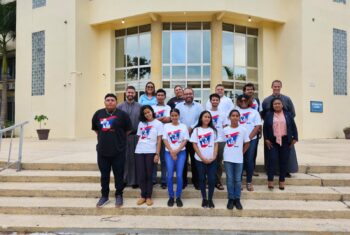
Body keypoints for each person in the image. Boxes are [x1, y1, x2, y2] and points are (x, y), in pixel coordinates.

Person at [92, 93, 132, 208]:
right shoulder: (98, 114)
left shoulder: (123, 115)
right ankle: (104, 196)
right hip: (102, 152)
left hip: (118, 151)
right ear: (104, 102)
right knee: (104, 175)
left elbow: (128, 130)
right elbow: (96, 129)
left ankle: (119, 195)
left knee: (119, 175)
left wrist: (117, 138)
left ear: (116, 102)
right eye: (108, 100)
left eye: (112, 100)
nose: (110, 102)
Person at [261, 80, 298, 176]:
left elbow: (292, 113)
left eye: (278, 86)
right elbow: (263, 115)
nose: (276, 88)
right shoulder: (266, 100)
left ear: (281, 87)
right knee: (271, 152)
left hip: (285, 131)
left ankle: (286, 171)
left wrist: (284, 122)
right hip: (271, 132)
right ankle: (271, 170)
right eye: (275, 86)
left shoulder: (287, 99)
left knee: (286, 153)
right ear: (272, 87)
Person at [263, 97, 298, 190]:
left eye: (279, 103)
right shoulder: (269, 115)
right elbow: (265, 127)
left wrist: (295, 138)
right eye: (275, 104)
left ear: (282, 105)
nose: (277, 105)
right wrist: (266, 139)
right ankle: (270, 180)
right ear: (272, 106)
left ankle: (282, 181)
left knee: (284, 161)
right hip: (272, 141)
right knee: (272, 160)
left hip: (286, 140)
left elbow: (293, 126)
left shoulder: (288, 115)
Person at [135, 105, 163, 206]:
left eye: (149, 112)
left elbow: (159, 140)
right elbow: (139, 137)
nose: (147, 114)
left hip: (151, 152)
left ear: (152, 111)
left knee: (149, 174)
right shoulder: (141, 123)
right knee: (141, 175)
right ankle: (142, 195)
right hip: (139, 151)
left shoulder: (158, 124)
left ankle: (148, 196)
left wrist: (157, 154)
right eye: (145, 113)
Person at [175, 87, 203, 190]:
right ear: (183, 95)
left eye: (190, 94)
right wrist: (184, 129)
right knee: (182, 160)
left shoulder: (199, 106)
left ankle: (196, 182)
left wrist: (191, 127)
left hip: (195, 137)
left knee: (195, 161)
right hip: (182, 138)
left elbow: (200, 119)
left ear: (193, 95)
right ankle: (183, 182)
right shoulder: (178, 106)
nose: (188, 96)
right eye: (186, 94)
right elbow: (176, 119)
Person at [191, 111, 219, 208]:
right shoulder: (196, 130)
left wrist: (214, 156)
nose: (207, 118)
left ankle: (210, 199)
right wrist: (202, 157)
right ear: (201, 118)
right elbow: (194, 144)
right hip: (199, 160)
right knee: (202, 179)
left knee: (211, 179)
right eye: (205, 116)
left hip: (212, 160)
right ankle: (204, 199)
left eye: (208, 117)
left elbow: (216, 144)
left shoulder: (213, 130)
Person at [223, 109, 250, 210]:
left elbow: (247, 143)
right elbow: (222, 142)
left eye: (236, 116)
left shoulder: (243, 129)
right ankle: (231, 198)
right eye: (233, 116)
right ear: (229, 118)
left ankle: (237, 199)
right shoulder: (225, 130)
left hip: (239, 159)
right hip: (227, 158)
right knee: (229, 179)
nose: (234, 117)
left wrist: (241, 152)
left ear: (239, 118)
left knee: (238, 180)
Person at [163, 108, 189, 207]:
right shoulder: (166, 126)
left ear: (178, 116)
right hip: (168, 152)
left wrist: (177, 151)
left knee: (179, 175)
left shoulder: (183, 126)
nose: (174, 117)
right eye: (172, 115)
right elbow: (165, 139)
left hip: (181, 152)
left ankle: (178, 196)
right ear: (170, 116)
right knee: (169, 175)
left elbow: (185, 140)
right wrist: (171, 151)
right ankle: (171, 196)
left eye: (176, 115)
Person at [235, 94, 262, 191]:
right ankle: (239, 182)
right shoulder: (235, 111)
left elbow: (257, 126)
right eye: (241, 100)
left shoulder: (254, 112)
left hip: (251, 139)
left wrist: (248, 138)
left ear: (248, 101)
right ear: (238, 101)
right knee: (239, 160)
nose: (243, 102)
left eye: (245, 100)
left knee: (249, 161)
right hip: (238, 140)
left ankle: (249, 182)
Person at [117, 86, 142, 188]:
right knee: (124, 159)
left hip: (136, 136)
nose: (130, 94)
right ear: (125, 93)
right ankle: (124, 180)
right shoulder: (120, 106)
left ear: (135, 94)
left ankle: (135, 181)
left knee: (135, 159)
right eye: (128, 92)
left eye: (132, 92)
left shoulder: (140, 106)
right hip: (123, 137)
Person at [152, 89, 171, 189]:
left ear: (164, 96)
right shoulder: (152, 107)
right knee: (154, 159)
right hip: (153, 136)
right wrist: (161, 118)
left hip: (164, 137)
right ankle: (153, 179)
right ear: (156, 96)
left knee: (164, 160)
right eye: (158, 95)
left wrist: (155, 119)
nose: (160, 97)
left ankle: (164, 180)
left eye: (162, 95)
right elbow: (150, 119)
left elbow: (168, 119)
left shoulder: (168, 107)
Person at [207, 93, 226, 191]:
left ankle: (218, 181)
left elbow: (226, 127)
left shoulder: (223, 113)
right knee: (209, 160)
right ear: (210, 101)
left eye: (216, 100)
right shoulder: (206, 112)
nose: (214, 101)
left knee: (218, 162)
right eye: (213, 100)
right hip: (209, 141)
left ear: (219, 101)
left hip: (221, 140)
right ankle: (209, 180)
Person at [243, 83, 261, 176]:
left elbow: (259, 114)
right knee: (243, 151)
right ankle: (243, 170)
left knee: (253, 151)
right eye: (248, 89)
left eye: (251, 89)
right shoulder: (241, 100)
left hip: (254, 130)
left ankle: (251, 169)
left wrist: (259, 128)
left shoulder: (257, 100)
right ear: (244, 91)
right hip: (243, 131)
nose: (250, 91)